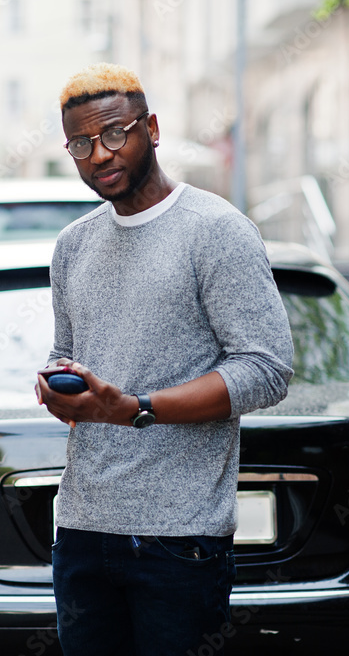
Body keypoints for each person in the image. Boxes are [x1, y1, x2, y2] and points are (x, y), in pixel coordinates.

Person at [35, 63, 294, 656]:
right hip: (81, 529)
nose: (99, 154)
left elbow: (266, 368)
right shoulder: (73, 244)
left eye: (114, 133)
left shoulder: (217, 230)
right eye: (80, 143)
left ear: (150, 128)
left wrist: (137, 409)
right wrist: (58, 387)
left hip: (179, 541)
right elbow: (67, 353)